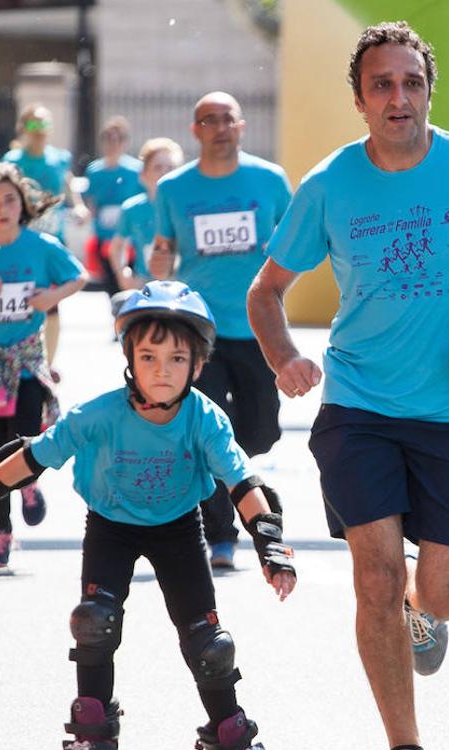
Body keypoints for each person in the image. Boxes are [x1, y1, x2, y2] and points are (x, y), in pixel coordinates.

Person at [247, 21, 449, 750]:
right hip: (359, 405)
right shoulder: (331, 184)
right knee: (372, 578)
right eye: (383, 84)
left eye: (411, 83)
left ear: (427, 91)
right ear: (359, 99)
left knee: (445, 593)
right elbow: (265, 292)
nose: (398, 97)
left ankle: (423, 610)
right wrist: (285, 360)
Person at [0, 280, 316, 750]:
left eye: (177, 358)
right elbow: (30, 459)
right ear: (129, 359)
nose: (162, 369)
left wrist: (269, 544)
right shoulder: (99, 416)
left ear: (197, 365)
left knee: (210, 646)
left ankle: (236, 748)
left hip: (179, 528)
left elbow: (242, 482)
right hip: (110, 526)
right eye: (149, 356)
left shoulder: (204, 418)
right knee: (94, 624)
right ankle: (92, 749)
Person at [151, 91, 292, 571]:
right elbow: (164, 249)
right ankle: (221, 535)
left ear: (242, 126)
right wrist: (157, 264)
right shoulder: (173, 189)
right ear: (196, 130)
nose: (219, 128)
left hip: (257, 324)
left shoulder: (270, 181)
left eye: (227, 119)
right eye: (209, 120)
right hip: (198, 330)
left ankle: (234, 478)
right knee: (212, 433)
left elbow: (295, 242)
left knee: (262, 430)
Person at [0, 162, 87, 571]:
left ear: (22, 204)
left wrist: (48, 298)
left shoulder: (40, 246)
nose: (3, 207)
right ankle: (1, 534)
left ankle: (29, 479)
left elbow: (79, 277)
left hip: (26, 364)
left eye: (10, 199)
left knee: (20, 442)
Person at [2, 105, 88, 368]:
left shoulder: (60, 158)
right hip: (20, 242)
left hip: (52, 241)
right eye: (33, 126)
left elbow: (69, 184)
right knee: (20, 301)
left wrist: (79, 205)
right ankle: (17, 355)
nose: (39, 132)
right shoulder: (13, 160)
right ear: (23, 129)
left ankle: (48, 364)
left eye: (44, 126)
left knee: (51, 303)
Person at [108, 137, 184, 302]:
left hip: (183, 285)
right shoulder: (133, 208)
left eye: (171, 168)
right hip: (147, 287)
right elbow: (117, 246)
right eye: (158, 167)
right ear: (143, 175)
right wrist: (123, 274)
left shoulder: (188, 207)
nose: (165, 173)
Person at [83, 116, 144, 296]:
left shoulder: (136, 170)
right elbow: (91, 203)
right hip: (104, 238)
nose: (113, 144)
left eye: (118, 139)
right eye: (109, 139)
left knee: (131, 286)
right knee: (112, 288)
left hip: (129, 239)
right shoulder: (94, 170)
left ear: (125, 142)